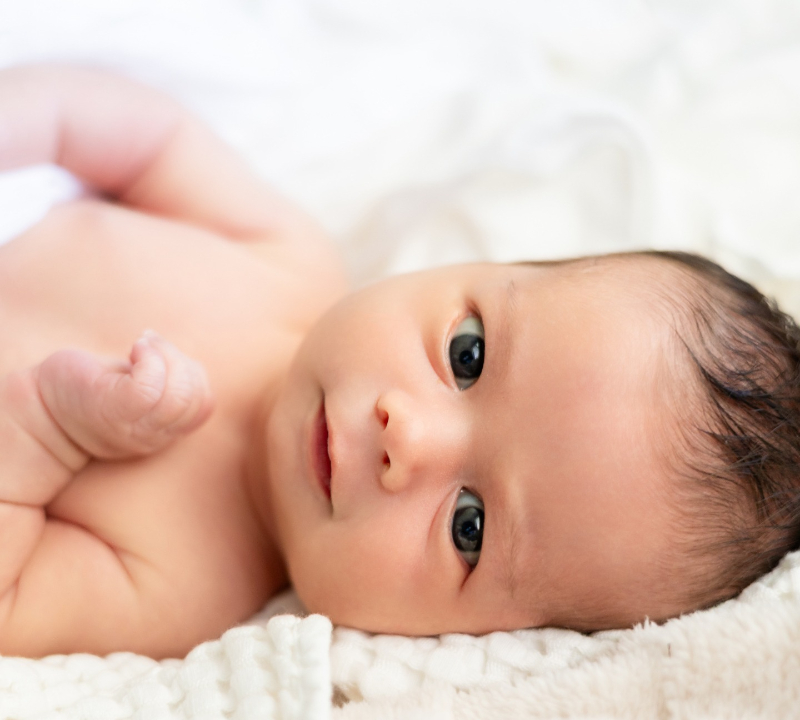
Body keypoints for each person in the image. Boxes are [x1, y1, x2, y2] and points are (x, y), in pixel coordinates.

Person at [0, 65, 798, 659]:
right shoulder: (285, 260)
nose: (404, 438)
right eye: (469, 354)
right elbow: (149, 141)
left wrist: (49, 428)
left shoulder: (179, 588)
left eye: (469, 527)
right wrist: (32, 117)